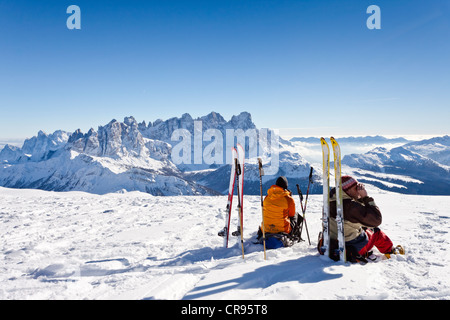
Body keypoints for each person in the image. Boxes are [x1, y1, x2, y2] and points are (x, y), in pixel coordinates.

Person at [326, 175, 404, 262]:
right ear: (348, 190)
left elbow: (357, 215)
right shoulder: (350, 206)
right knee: (375, 231)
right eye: (356, 187)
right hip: (352, 247)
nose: (359, 190)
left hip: (334, 243)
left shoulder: (332, 200)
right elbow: (376, 219)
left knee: (365, 227)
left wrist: (357, 198)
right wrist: (365, 198)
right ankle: (391, 251)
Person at [257, 176, 303, 248]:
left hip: (266, 229)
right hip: (283, 230)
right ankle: (295, 235)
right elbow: (291, 214)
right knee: (296, 215)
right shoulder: (288, 199)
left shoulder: (267, 197)